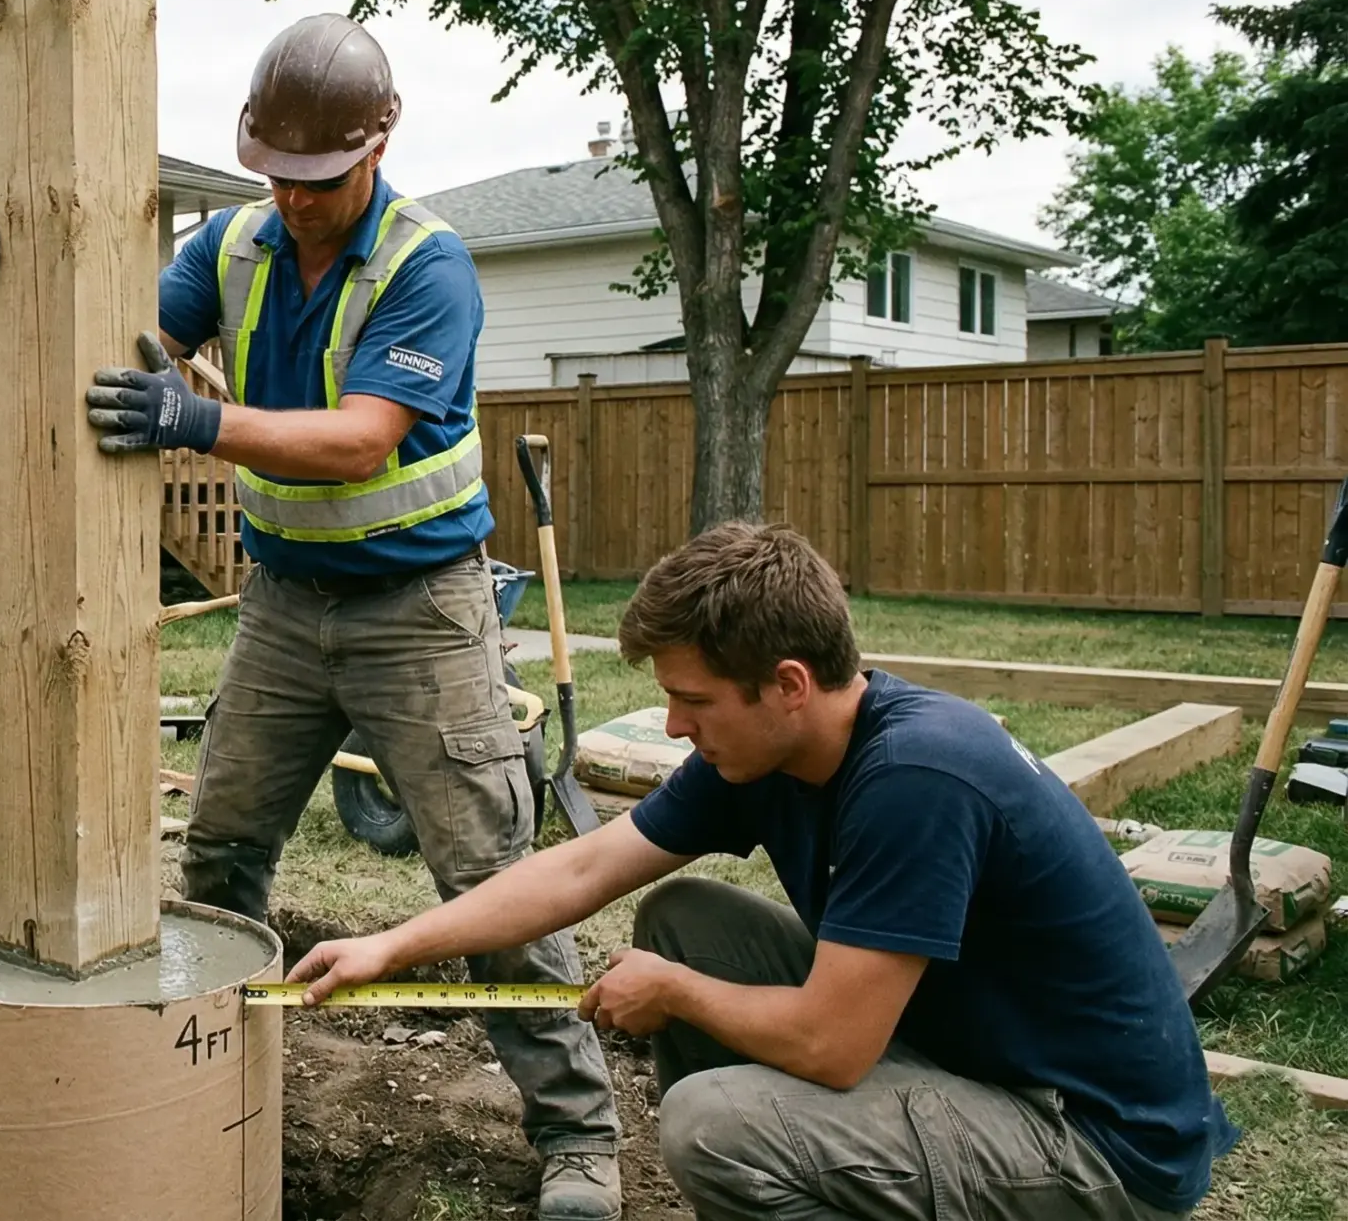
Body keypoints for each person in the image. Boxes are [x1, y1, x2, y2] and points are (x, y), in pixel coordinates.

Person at [0, 13, 623, 1221]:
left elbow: (358, 439)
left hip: (420, 616)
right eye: (276, 173)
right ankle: (215, 1072)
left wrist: (197, 422)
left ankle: (580, 1139)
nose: (297, 197)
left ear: (376, 144)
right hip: (283, 608)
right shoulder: (228, 247)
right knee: (220, 852)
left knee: (486, 875)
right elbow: (113, 342)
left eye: (318, 178)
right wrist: (23, 272)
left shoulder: (425, 267)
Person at [287, 521, 1239, 1221]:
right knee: (688, 917)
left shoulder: (916, 780)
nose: (671, 726)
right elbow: (583, 869)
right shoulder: (775, 751)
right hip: (979, 1056)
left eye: (690, 700)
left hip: (1095, 1145)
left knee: (712, 1125)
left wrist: (679, 994)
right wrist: (393, 944)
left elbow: (834, 1047)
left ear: (787, 684)